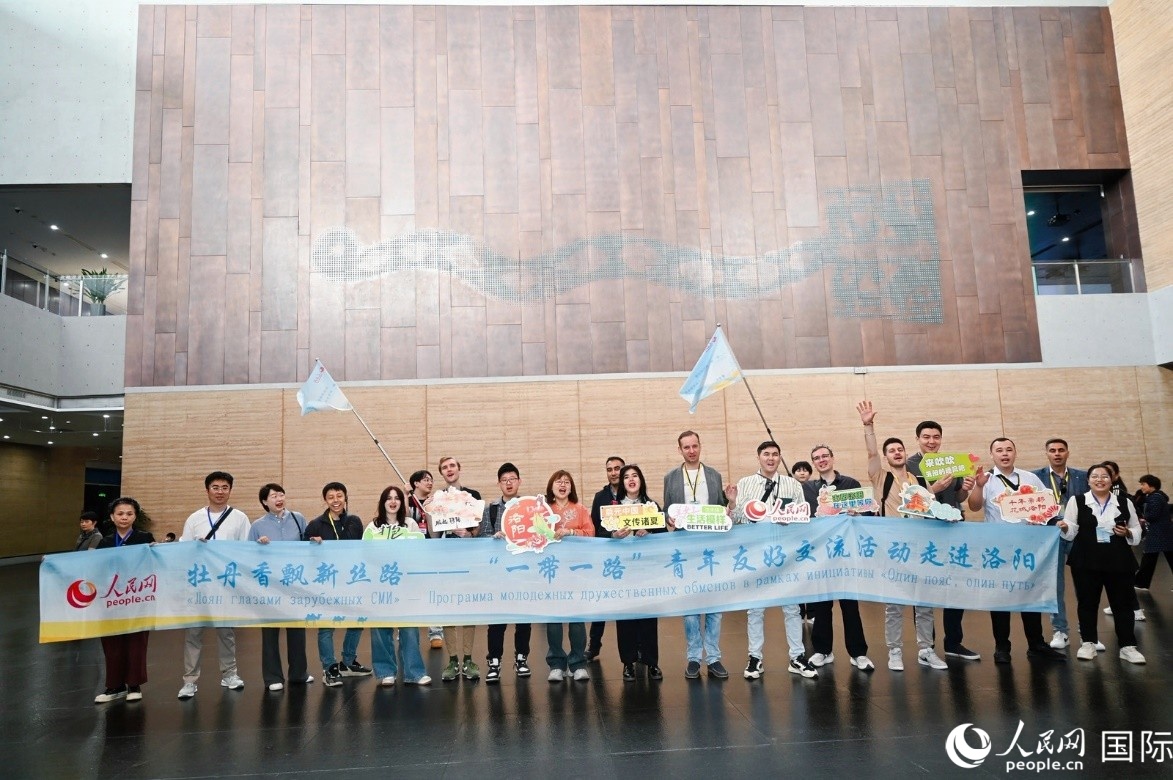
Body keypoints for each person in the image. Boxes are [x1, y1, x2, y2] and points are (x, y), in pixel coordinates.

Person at [859, 401, 950, 672]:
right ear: (886, 457)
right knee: (895, 604)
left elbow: (925, 507)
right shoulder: (881, 477)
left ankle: (926, 649)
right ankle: (895, 651)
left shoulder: (920, 480)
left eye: (900, 449)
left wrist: (937, 489)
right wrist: (868, 426)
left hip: (921, 548)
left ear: (905, 452)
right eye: (891, 451)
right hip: (893, 549)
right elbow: (871, 452)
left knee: (924, 603)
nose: (896, 453)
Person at [968, 439, 1068, 663]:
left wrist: (1042, 519)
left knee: (1030, 595)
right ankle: (1002, 646)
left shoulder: (1030, 478)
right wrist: (979, 486)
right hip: (999, 549)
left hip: (1029, 547)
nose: (1005, 454)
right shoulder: (987, 479)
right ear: (992, 454)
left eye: (1009, 450)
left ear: (1015, 452)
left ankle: (1036, 644)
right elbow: (974, 506)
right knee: (1000, 598)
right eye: (999, 450)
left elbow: (1047, 505)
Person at [727, 441, 818, 679]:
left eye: (775, 454)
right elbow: (736, 520)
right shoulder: (745, 483)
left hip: (785, 554)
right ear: (758, 457)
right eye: (766, 454)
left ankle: (797, 656)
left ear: (779, 458)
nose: (770, 458)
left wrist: (793, 520)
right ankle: (755, 657)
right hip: (757, 554)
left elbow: (803, 516)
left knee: (792, 607)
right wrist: (733, 502)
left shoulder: (791, 484)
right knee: (755, 609)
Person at [906, 420, 981, 662]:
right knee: (924, 590)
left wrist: (967, 488)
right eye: (926, 436)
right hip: (924, 533)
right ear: (917, 438)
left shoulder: (952, 462)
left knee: (955, 587)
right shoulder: (910, 465)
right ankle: (926, 646)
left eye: (936, 437)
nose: (931, 441)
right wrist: (932, 487)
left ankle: (953, 642)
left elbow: (958, 495)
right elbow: (910, 500)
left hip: (953, 529)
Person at [1058, 464, 1145, 664]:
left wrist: (1129, 533)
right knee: (1087, 603)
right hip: (1086, 560)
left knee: (1122, 604)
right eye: (1095, 476)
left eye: (1104, 476)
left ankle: (1127, 646)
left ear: (1111, 479)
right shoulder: (1077, 501)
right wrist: (1064, 526)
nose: (1100, 479)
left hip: (1119, 560)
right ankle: (1088, 643)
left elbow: (1136, 529)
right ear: (1088, 480)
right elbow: (1071, 529)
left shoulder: (1124, 502)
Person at [177, 471, 252, 699]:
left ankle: (229, 673)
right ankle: (189, 680)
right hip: (200, 584)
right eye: (216, 487)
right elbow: (183, 549)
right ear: (207, 490)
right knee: (194, 634)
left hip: (226, 585)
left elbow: (246, 550)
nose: (220, 492)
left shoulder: (239, 518)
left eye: (225, 487)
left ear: (230, 490)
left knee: (226, 633)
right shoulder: (195, 518)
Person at [663, 430, 729, 680]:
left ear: (700, 446)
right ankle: (693, 657)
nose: (691, 450)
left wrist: (729, 504)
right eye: (686, 447)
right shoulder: (670, 477)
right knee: (690, 603)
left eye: (695, 446)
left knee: (714, 604)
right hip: (684, 545)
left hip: (711, 545)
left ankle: (713, 657)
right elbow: (668, 509)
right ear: (679, 450)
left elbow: (721, 510)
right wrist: (669, 518)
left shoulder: (713, 475)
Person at [802, 444, 873, 671]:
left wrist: (858, 513)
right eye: (817, 458)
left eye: (825, 456)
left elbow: (869, 512)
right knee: (822, 606)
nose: (821, 460)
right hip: (821, 555)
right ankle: (823, 651)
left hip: (846, 554)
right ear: (813, 463)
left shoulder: (850, 484)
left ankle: (858, 653)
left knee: (850, 606)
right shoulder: (808, 489)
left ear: (833, 458)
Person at [305, 481, 372, 687]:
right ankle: (329, 668)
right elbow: (302, 553)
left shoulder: (353, 521)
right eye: (331, 497)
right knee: (327, 627)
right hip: (326, 582)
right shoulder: (315, 524)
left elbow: (351, 543)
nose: (336, 501)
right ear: (325, 500)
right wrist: (311, 543)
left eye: (339, 496)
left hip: (351, 580)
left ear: (345, 498)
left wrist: (340, 521)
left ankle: (348, 662)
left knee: (357, 621)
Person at [364, 485, 431, 686]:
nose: (393, 502)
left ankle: (414, 672)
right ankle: (386, 671)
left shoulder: (410, 524)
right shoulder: (373, 526)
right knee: (380, 629)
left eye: (397, 498)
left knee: (409, 629)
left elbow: (419, 550)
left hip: (406, 584)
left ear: (402, 503)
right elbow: (365, 554)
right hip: (381, 584)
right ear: (383, 502)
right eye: (388, 498)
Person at [249, 483, 312, 692]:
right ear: (265, 502)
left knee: (297, 631)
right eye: (274, 495)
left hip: (294, 582)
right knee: (270, 632)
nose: (279, 498)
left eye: (281, 494)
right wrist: (259, 546)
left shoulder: (298, 518)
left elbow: (307, 545)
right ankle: (272, 677)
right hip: (270, 586)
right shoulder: (258, 525)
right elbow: (248, 555)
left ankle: (299, 673)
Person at [93, 497, 155, 703]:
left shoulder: (145, 538)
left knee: (136, 642)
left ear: (135, 516)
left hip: (137, 598)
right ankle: (114, 686)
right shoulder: (106, 542)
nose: (124, 517)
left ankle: (134, 685)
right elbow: (95, 568)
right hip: (111, 600)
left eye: (129, 513)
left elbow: (154, 565)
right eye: (120, 513)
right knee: (112, 643)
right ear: (112, 517)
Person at [1030, 438, 1089, 650]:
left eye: (1061, 450)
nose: (1057, 454)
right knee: (1055, 585)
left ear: (1067, 452)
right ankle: (1060, 630)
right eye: (1052, 450)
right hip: (1050, 535)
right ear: (1046, 453)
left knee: (1085, 585)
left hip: (1077, 535)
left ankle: (1088, 633)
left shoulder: (1082, 476)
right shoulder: (1035, 477)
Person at [479, 463, 532, 683]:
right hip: (498, 575)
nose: (509, 483)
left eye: (512, 479)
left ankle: (521, 658)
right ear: (499, 483)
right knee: (497, 621)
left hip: (523, 572)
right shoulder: (490, 509)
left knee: (523, 619)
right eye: (504, 480)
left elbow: (538, 537)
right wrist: (494, 538)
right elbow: (482, 539)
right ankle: (494, 661)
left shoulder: (529, 508)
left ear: (519, 481)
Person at [613, 464, 664, 681]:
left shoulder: (651, 506)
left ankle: (651, 662)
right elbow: (601, 532)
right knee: (625, 617)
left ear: (641, 480)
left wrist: (650, 531)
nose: (631, 479)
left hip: (646, 570)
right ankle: (628, 662)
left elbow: (663, 531)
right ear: (622, 482)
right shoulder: (613, 507)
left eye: (635, 476)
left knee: (648, 618)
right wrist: (614, 535)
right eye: (626, 477)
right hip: (623, 570)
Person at [433, 456, 481, 682]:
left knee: (469, 608)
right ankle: (453, 661)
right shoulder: (437, 498)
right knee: (448, 609)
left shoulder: (473, 496)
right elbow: (433, 534)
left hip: (469, 559)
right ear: (442, 473)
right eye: (444, 467)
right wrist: (429, 512)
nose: (449, 470)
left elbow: (480, 529)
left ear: (459, 469)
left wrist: (469, 533)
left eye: (452, 465)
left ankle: (469, 659)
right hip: (445, 559)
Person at [544, 469, 595, 682]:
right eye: (558, 481)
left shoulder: (581, 509)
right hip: (551, 571)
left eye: (567, 482)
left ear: (571, 487)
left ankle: (577, 663)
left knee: (576, 618)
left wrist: (571, 532)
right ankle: (556, 663)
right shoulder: (544, 511)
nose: (563, 485)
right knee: (554, 618)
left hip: (576, 571)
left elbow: (591, 533)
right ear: (551, 487)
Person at [587, 456, 625, 662]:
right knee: (600, 604)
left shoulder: (635, 494)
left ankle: (634, 649)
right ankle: (594, 645)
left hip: (630, 560)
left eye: (617, 468)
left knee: (629, 604)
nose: (613, 472)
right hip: (607, 558)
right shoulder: (600, 497)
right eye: (609, 469)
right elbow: (594, 529)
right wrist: (611, 536)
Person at [407, 469, 445, 650]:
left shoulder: (435, 502)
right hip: (411, 555)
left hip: (431, 553)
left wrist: (430, 510)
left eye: (431, 480)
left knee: (433, 592)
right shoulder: (404, 501)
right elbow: (403, 525)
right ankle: (406, 631)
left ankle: (436, 632)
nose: (430, 483)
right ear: (415, 483)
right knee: (410, 592)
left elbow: (434, 534)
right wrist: (405, 496)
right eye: (425, 480)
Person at [1134, 474, 1172, 591]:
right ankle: (1141, 583)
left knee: (1149, 557)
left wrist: (1144, 517)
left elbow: (1153, 515)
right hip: (1163, 533)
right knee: (1153, 557)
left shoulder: (1154, 498)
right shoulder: (1157, 497)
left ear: (1152, 485)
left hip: (1158, 533)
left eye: (1143, 484)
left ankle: (1141, 583)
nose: (1142, 487)